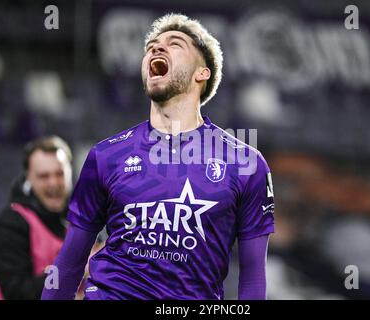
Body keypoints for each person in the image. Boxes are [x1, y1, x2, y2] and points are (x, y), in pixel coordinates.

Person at [42, 13, 275, 300]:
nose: (156, 48)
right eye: (151, 46)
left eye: (175, 44)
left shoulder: (245, 164)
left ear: (202, 73)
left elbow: (253, 278)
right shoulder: (106, 155)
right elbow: (69, 263)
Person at [0, 136, 73, 299]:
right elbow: (16, 292)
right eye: (44, 176)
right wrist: (73, 270)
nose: (53, 183)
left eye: (60, 173)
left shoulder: (86, 219)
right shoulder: (11, 225)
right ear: (28, 178)